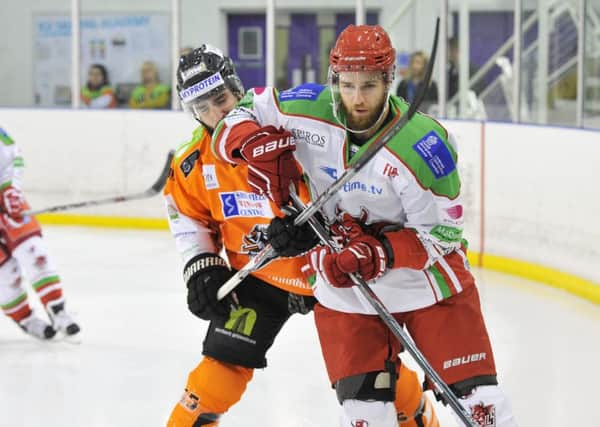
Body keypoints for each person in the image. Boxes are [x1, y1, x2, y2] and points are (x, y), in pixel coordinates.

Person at [211, 24, 518, 426]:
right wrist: (252, 144)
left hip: (426, 283)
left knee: (486, 409)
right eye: (347, 84)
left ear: (390, 80)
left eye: (370, 86)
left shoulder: (424, 145)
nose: (356, 99)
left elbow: (444, 235)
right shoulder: (305, 109)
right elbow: (235, 116)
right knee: (365, 418)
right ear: (333, 79)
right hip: (344, 284)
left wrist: (383, 251)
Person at [164, 45, 440, 427]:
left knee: (372, 378)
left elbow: (349, 191)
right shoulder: (192, 161)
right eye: (202, 107)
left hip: (329, 270)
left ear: (236, 89)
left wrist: (315, 229)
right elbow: (188, 218)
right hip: (260, 277)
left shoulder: (291, 129)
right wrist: (202, 267)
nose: (216, 113)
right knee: (215, 377)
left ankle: (418, 414)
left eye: (220, 99)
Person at [0, 127, 81, 340]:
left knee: (32, 248)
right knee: (4, 272)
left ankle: (58, 310)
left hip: (5, 199)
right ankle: (25, 318)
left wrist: (11, 189)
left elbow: (13, 156)